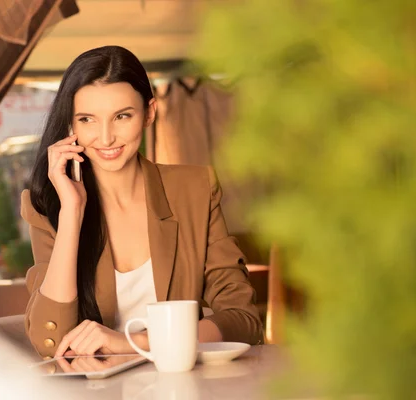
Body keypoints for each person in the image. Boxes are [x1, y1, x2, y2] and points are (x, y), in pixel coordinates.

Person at [21, 45, 262, 359]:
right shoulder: (48, 205)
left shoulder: (194, 190)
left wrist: (138, 342)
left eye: (122, 116)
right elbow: (47, 341)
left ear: (149, 113)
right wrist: (71, 213)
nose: (106, 138)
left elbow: (244, 320)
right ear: (71, 126)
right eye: (88, 119)